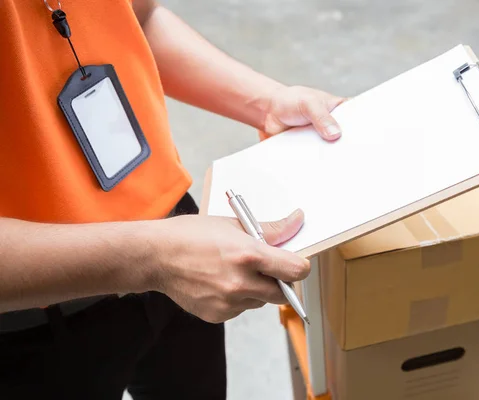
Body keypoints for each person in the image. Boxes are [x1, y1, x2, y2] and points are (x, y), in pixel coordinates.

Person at [0, 1, 345, 399]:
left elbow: (139, 19)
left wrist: (266, 103)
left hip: (177, 232)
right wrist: (155, 257)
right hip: (37, 317)